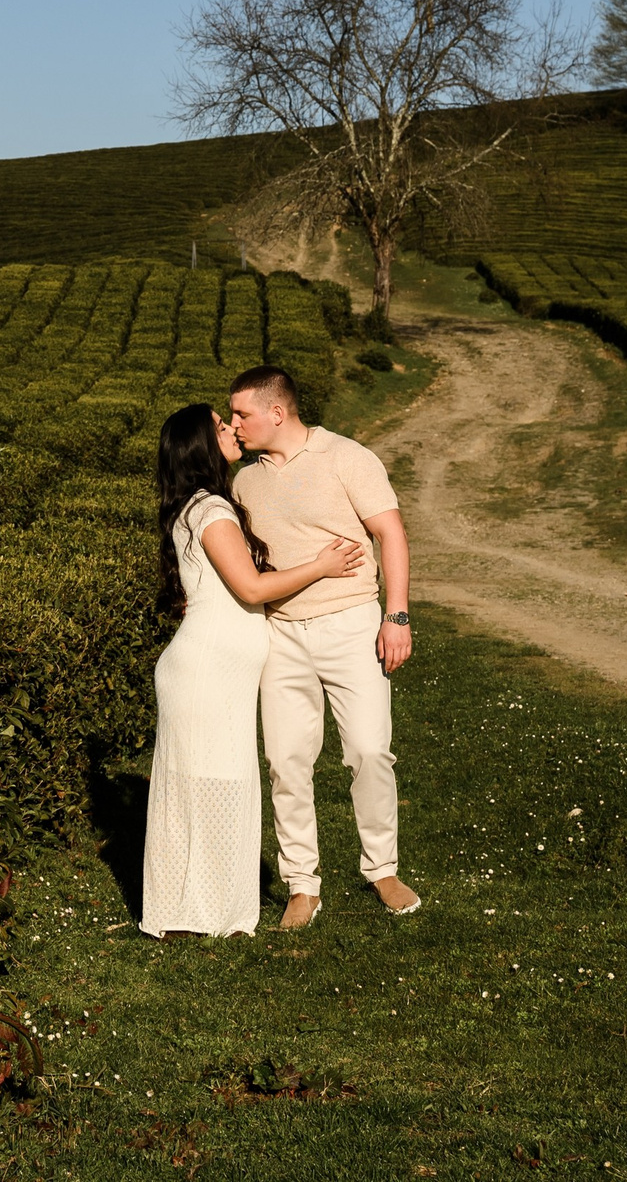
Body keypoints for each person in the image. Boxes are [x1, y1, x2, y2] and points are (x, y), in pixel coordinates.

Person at [140, 403, 364, 938]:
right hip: (206, 672)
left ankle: (194, 908)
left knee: (203, 788)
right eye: (220, 426)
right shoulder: (212, 509)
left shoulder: (204, 506)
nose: (232, 429)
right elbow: (252, 589)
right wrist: (322, 566)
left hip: (214, 670)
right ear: (201, 445)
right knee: (209, 786)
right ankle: (201, 912)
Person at [226, 363, 418, 930]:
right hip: (280, 633)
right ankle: (301, 885)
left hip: (352, 624)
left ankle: (382, 869)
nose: (236, 424)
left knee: (368, 751)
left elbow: (392, 535)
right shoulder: (244, 481)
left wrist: (396, 616)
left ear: (276, 412)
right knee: (286, 761)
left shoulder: (348, 458)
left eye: (243, 414)